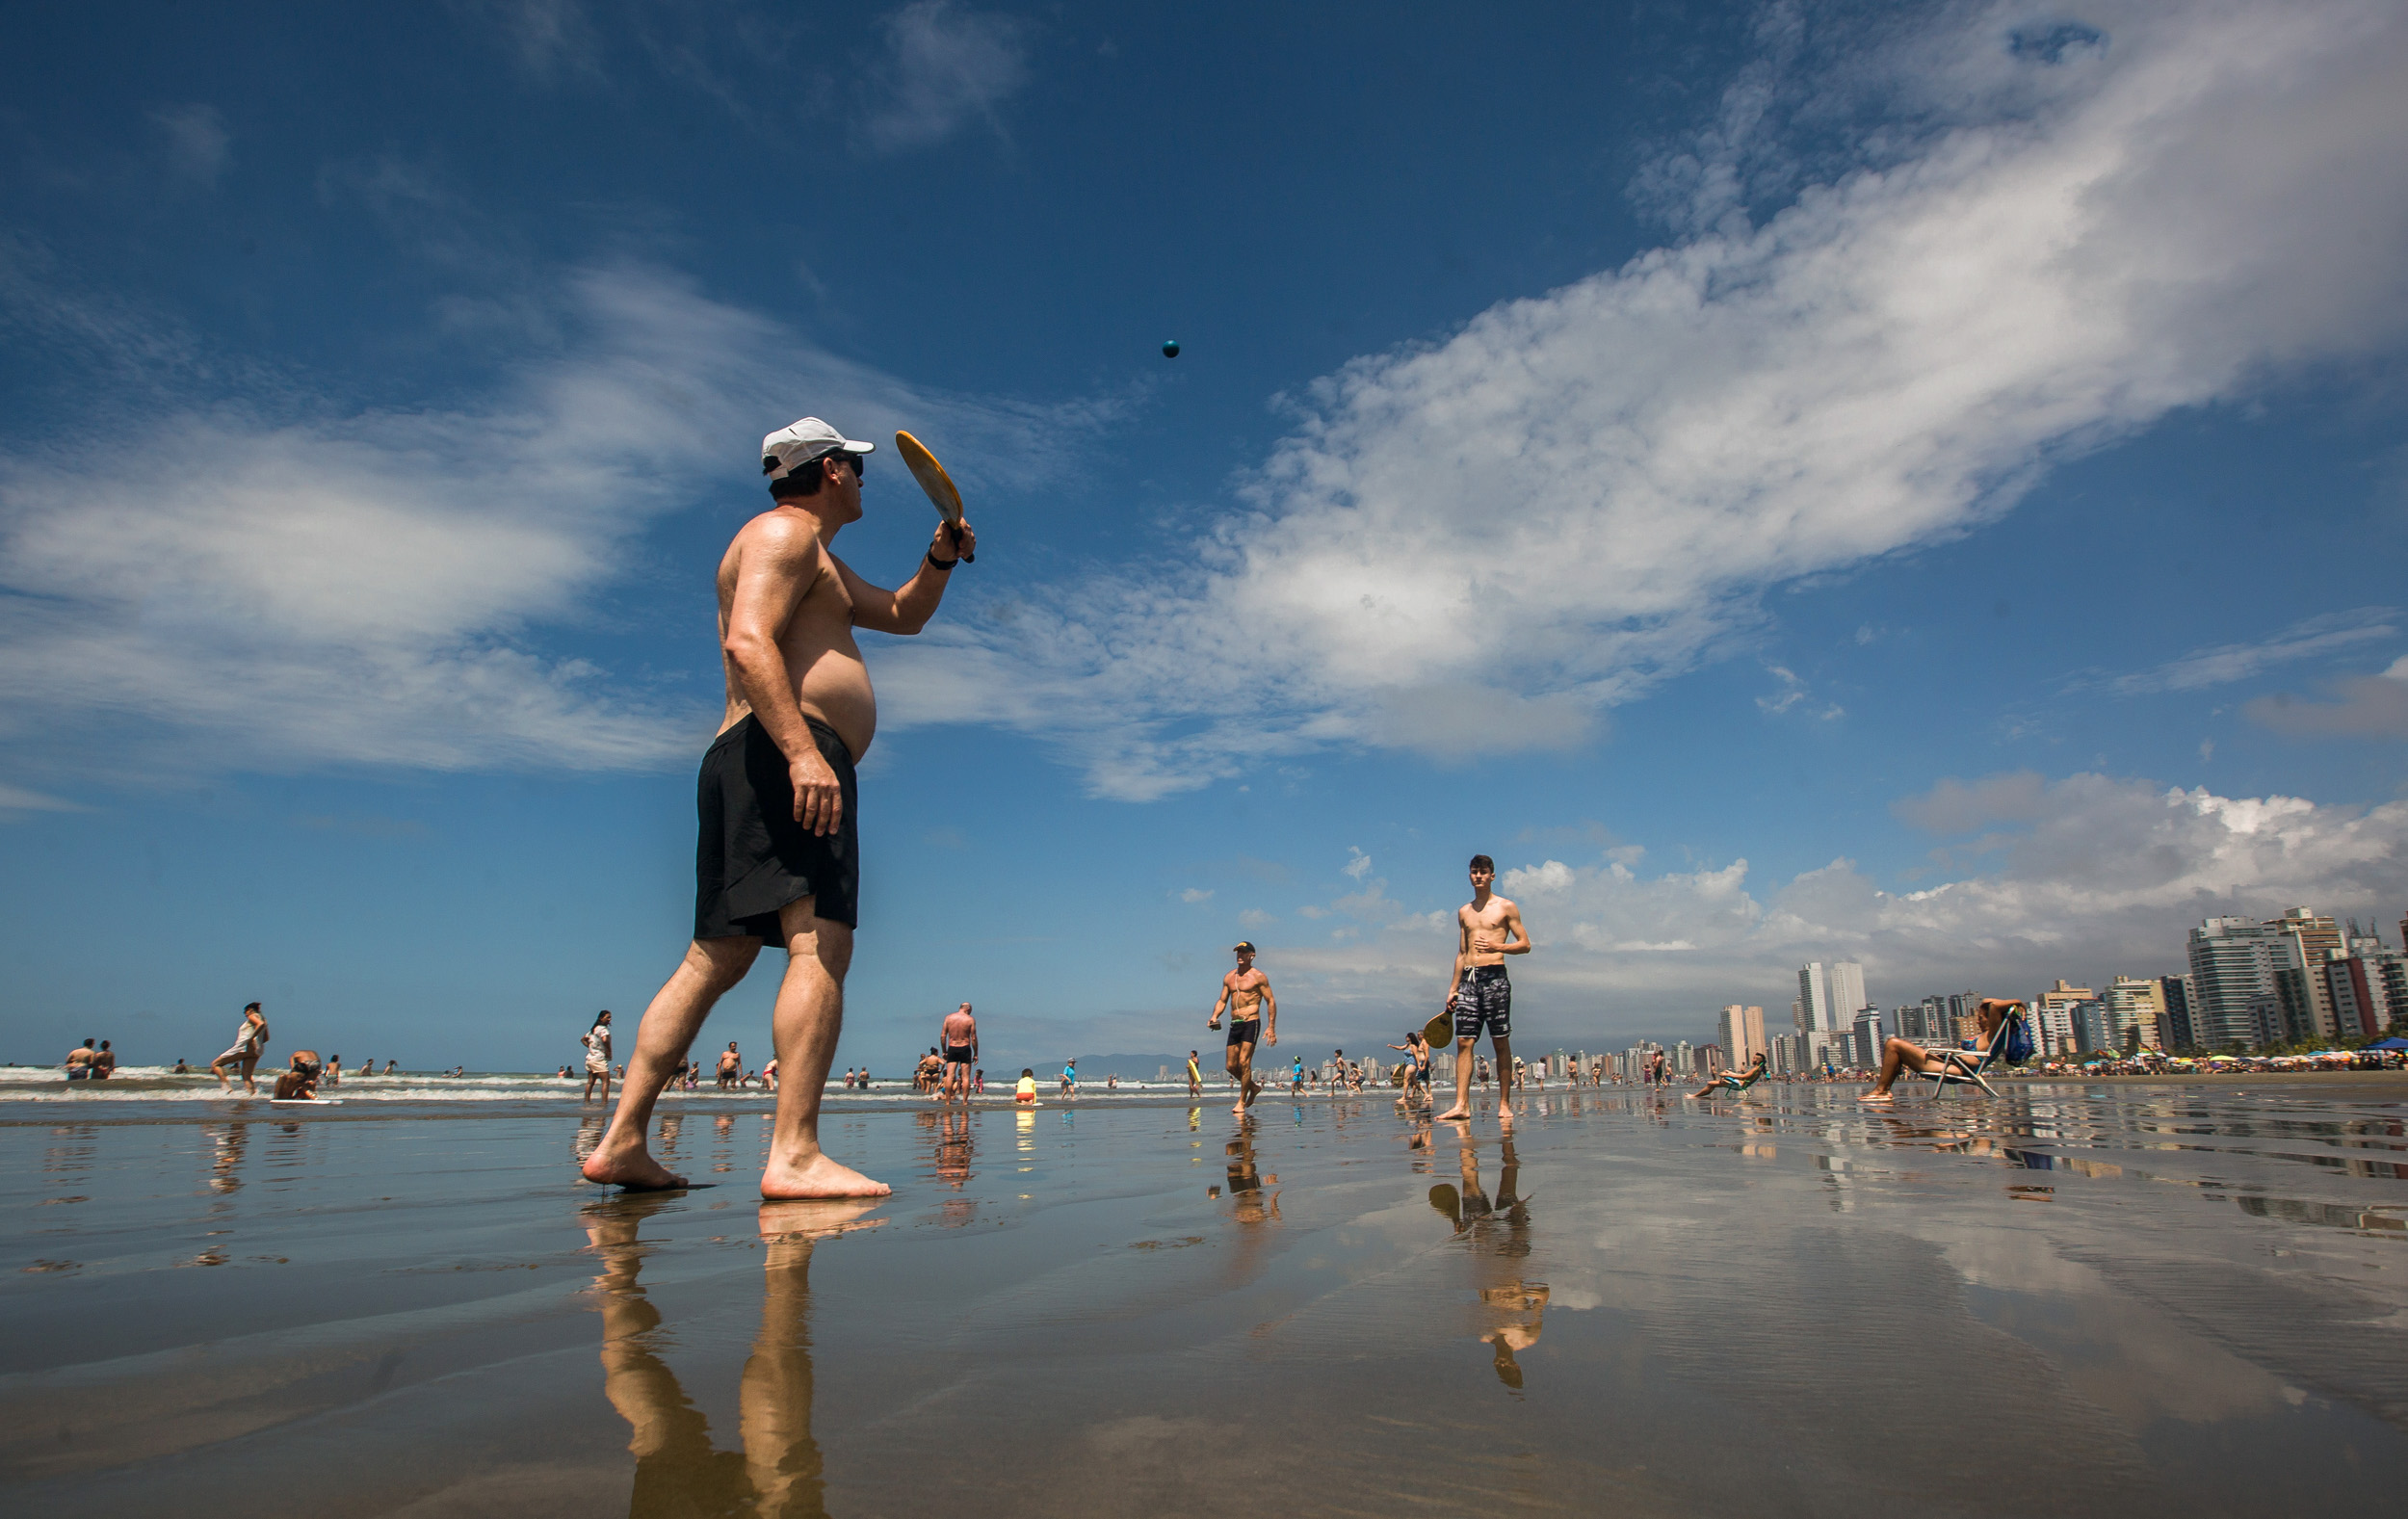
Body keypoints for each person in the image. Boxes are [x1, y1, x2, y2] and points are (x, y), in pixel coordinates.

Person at [583, 416, 975, 1199]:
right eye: (855, 468)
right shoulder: (782, 536)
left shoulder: (817, 557)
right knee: (819, 948)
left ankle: (623, 1139)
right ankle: (793, 1152)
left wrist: (939, 557)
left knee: (714, 956)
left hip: (750, 755)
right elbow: (749, 641)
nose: (864, 480)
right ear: (828, 470)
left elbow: (904, 614)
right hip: (785, 750)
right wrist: (801, 751)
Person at [1436, 856, 1531, 1122]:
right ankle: (1461, 1105)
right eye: (1474, 872)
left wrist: (1498, 947)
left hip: (1495, 977)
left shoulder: (1506, 907)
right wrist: (1453, 988)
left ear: (1492, 876)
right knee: (1464, 1041)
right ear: (1470, 876)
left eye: (1483, 872)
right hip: (1469, 978)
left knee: (1500, 1041)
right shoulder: (1464, 911)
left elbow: (1525, 944)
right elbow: (1462, 951)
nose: (1478, 876)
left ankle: (1504, 1104)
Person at [1862, 999, 2020, 1102]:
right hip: (1951, 1064)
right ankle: (1883, 1091)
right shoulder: (1990, 1036)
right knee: (1897, 1049)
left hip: (1955, 1068)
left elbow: (1992, 1005)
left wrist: (2019, 1003)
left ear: (1992, 1019)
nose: (1978, 1021)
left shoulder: (1993, 1034)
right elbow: (1988, 1003)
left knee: (1892, 1044)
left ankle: (1881, 1090)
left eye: (1981, 1018)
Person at [1207, 941, 1278, 1115]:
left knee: (1244, 1062)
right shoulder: (1229, 977)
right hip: (1235, 1023)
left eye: (1243, 952)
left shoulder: (1258, 977)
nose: (1239, 955)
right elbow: (1222, 1000)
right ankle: (1253, 1087)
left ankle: (1241, 1101)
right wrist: (1214, 1016)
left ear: (1251, 955)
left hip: (1251, 1021)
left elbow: (1270, 1001)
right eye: (1238, 952)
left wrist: (1271, 1027)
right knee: (1231, 1066)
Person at [212, 1003, 271, 1095]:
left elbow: (260, 1024)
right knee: (246, 1076)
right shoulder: (263, 1018)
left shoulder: (252, 1016)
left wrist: (251, 1038)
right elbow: (266, 1038)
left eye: (245, 1012)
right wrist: (256, 1042)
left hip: (245, 1047)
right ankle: (252, 1096)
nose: (245, 1015)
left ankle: (228, 1089)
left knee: (215, 1064)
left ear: (250, 1010)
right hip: (257, 1050)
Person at [939, 1003, 978, 1102]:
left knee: (950, 1076)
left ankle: (947, 1102)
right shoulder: (970, 1019)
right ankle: (964, 1102)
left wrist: (944, 1051)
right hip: (965, 1047)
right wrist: (976, 1053)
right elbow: (973, 1038)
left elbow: (943, 1036)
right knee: (965, 1077)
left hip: (952, 1047)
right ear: (967, 1008)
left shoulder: (949, 1018)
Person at [1691, 1050, 1767, 1100]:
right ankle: (1696, 1095)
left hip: (1739, 1085)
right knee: (1714, 1082)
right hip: (1740, 1083)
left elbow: (1744, 1076)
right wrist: (1730, 1073)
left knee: (1710, 1083)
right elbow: (1744, 1077)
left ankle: (1694, 1096)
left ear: (1757, 1061)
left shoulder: (1755, 1069)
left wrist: (1730, 1075)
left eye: (1754, 1058)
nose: (1752, 1059)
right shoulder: (1757, 1069)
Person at [1388, 1030, 1433, 1106]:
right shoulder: (1407, 1045)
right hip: (1408, 1064)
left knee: (1406, 1080)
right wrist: (1392, 1046)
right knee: (1415, 1081)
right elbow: (1400, 1048)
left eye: (1407, 1037)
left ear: (1410, 1038)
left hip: (1412, 1065)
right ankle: (1426, 1094)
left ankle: (1403, 1097)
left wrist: (1419, 1066)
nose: (1406, 1038)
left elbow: (1416, 1056)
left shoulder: (1413, 1046)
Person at [583, 1011, 615, 1102]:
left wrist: (590, 1047)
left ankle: (587, 1100)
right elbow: (605, 1040)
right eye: (607, 1017)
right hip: (599, 1058)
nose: (609, 1019)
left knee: (590, 1081)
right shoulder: (603, 1029)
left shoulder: (593, 1029)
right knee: (605, 1081)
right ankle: (604, 1102)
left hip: (590, 1058)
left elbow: (583, 1039)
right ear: (601, 1018)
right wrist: (609, 1051)